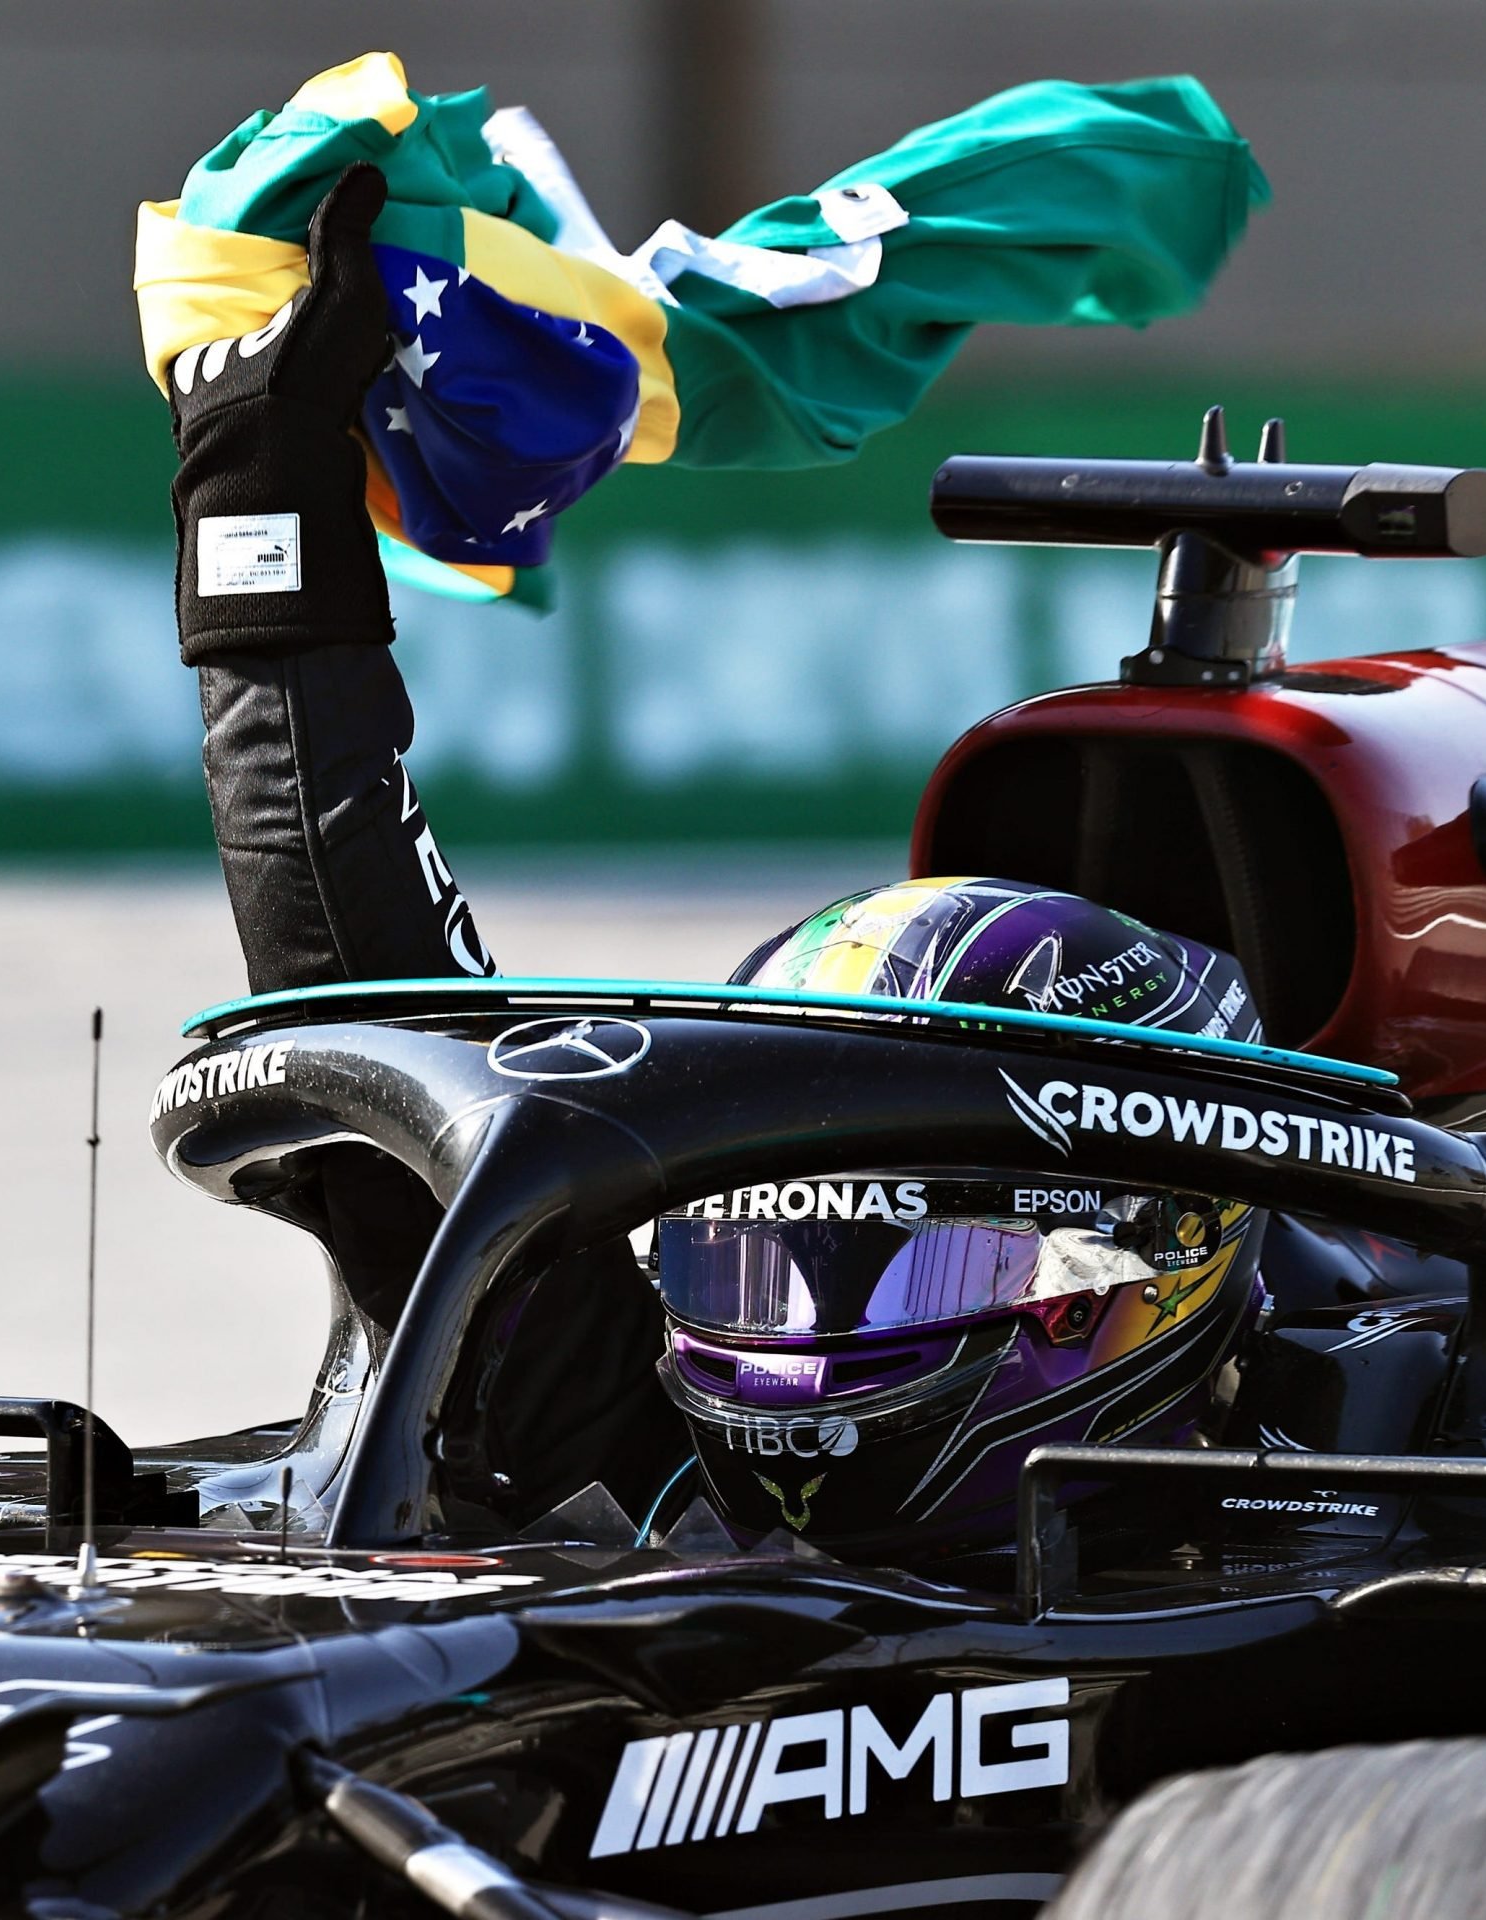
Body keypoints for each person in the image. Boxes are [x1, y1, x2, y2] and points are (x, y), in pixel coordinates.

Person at [166, 164, 1269, 1560]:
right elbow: (350, 956)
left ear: (1133, 1275)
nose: (801, 1347)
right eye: (752, 1266)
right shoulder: (643, 1464)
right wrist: (261, 491)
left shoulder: (1397, 1534)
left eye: (927, 1264)